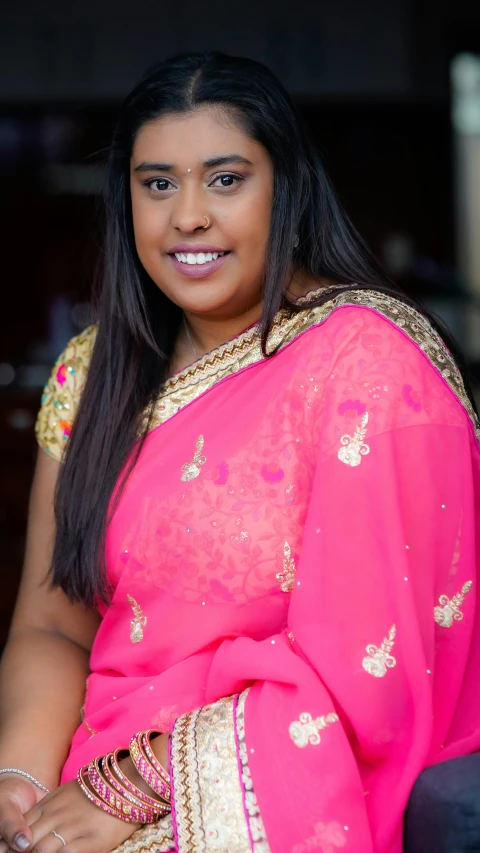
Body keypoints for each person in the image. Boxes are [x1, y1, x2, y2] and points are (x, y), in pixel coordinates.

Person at [0, 51, 479, 853]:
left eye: (225, 180)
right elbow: (54, 623)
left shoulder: (366, 362)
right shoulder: (94, 373)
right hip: (86, 782)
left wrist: (140, 785)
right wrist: (19, 784)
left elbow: (372, 668)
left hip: (277, 785)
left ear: (284, 187)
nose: (187, 216)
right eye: (158, 184)